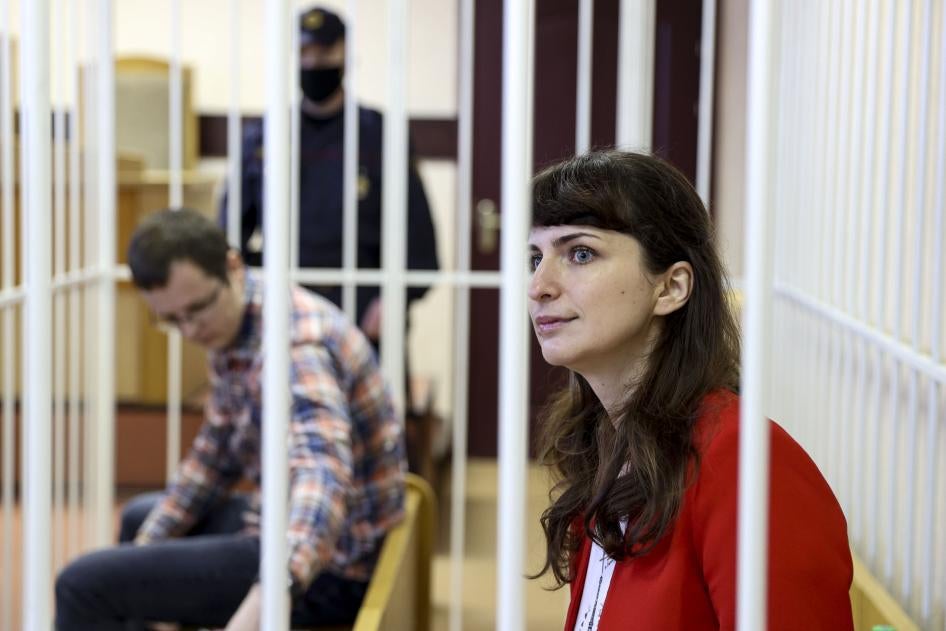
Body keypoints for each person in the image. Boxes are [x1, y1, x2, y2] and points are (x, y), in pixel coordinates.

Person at [526, 150, 853, 630]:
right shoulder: (605, 440)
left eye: (580, 253)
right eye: (535, 256)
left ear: (671, 287)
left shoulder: (745, 462)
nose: (539, 285)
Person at [55, 208, 406, 631]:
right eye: (171, 319)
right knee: (139, 521)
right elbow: (214, 457)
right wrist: (145, 555)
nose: (189, 330)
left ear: (233, 267)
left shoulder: (296, 345)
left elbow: (322, 472)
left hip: (334, 567)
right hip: (289, 521)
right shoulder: (239, 323)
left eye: (197, 308)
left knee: (82, 585)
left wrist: (270, 592)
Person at [221, 4, 439, 346]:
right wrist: (239, 296)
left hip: (362, 307)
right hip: (281, 302)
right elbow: (230, 230)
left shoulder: (378, 133)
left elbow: (417, 236)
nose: (313, 62)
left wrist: (394, 299)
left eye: (324, 51)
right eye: (304, 51)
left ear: (346, 53)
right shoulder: (265, 135)